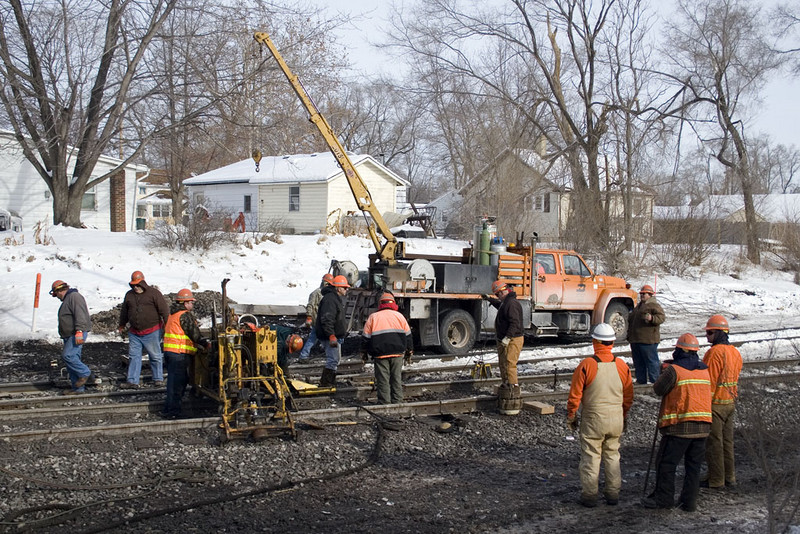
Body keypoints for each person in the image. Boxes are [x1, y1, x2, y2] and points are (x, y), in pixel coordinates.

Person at [566, 323, 634, 507]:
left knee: (591, 455)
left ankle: (590, 495)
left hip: (594, 419)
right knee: (613, 455)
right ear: (612, 342)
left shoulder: (587, 365)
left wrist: (572, 415)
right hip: (616, 418)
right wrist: (624, 415)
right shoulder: (621, 365)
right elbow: (628, 396)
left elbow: (575, 395)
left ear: (595, 341)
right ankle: (613, 494)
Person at [643, 333, 712, 512]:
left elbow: (659, 389)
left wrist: (664, 370)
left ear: (679, 351)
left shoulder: (675, 371)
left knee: (666, 464)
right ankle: (689, 503)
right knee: (693, 467)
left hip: (679, 427)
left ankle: (664, 499)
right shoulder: (705, 370)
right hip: (703, 426)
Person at [701, 314, 742, 489]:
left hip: (716, 404)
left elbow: (708, 382)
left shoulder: (714, 353)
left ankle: (716, 480)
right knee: (727, 442)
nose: (707, 336)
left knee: (714, 443)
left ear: (718, 333)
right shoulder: (735, 352)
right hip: (730, 403)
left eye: (709, 332)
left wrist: (703, 406)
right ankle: (730, 477)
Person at [118, 270, 169, 389]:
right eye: (133, 285)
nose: (135, 287)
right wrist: (121, 324)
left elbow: (164, 311)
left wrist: (167, 326)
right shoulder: (129, 295)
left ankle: (158, 379)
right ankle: (132, 381)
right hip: (134, 332)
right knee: (134, 356)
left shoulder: (154, 293)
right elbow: (124, 311)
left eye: (137, 284)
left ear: (143, 283)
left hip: (152, 331)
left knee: (155, 356)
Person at [162, 289, 207, 419]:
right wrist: (204, 343)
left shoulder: (172, 314)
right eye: (191, 302)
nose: (192, 305)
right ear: (185, 302)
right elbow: (194, 334)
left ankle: (168, 408)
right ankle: (173, 411)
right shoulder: (184, 315)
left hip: (170, 352)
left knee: (172, 382)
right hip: (179, 354)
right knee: (178, 384)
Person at [360, 293, 413, 404]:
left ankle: (384, 403)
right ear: (394, 303)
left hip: (380, 354)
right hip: (397, 354)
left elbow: (365, 338)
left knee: (383, 380)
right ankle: (397, 402)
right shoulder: (399, 316)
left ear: (380, 303)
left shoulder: (373, 317)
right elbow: (408, 336)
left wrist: (364, 352)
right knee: (396, 379)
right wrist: (409, 350)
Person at [484, 280, 524, 415]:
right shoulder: (506, 302)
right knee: (503, 364)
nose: (497, 297)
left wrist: (508, 337)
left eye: (497, 295)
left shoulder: (512, 304)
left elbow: (515, 323)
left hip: (513, 339)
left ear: (502, 292)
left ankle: (513, 391)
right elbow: (500, 306)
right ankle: (506, 386)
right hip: (505, 338)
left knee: (510, 364)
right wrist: (488, 299)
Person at [50, 280, 93, 395]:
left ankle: (85, 373)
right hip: (69, 334)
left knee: (67, 356)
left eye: (56, 294)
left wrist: (79, 330)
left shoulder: (74, 297)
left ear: (59, 291)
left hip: (76, 333)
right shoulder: (69, 299)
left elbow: (80, 314)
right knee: (73, 361)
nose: (57, 297)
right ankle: (77, 388)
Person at [315, 274, 350, 387]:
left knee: (335, 359)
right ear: (338, 288)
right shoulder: (330, 299)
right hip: (330, 336)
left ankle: (329, 381)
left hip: (334, 335)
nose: (347, 289)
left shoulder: (333, 298)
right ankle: (326, 382)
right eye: (345, 287)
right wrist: (331, 335)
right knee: (333, 359)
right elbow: (327, 318)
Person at [627, 284, 666, 384]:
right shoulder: (639, 306)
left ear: (650, 295)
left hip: (648, 341)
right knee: (639, 363)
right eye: (641, 293)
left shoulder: (654, 305)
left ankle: (655, 383)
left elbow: (661, 318)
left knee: (651, 362)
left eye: (645, 294)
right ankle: (641, 381)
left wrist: (652, 318)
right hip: (636, 340)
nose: (642, 295)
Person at [298, 273, 334, 361]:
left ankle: (305, 355)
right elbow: (310, 305)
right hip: (318, 320)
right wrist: (309, 317)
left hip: (323, 320)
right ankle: (304, 355)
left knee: (320, 338)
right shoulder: (316, 293)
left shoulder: (327, 294)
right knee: (314, 338)